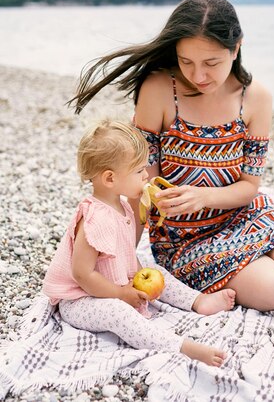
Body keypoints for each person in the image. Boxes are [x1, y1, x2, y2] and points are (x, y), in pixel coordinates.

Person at [71, 0, 274, 311]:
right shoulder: (159, 90)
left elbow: (249, 187)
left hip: (242, 213)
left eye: (211, 63)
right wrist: (122, 262)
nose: (198, 76)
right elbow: (138, 186)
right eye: (186, 62)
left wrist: (205, 197)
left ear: (236, 48)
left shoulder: (255, 98)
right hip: (185, 238)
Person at [42, 119, 235, 367]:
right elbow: (82, 274)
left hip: (112, 283)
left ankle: (197, 301)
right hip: (80, 299)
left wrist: (136, 277)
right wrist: (121, 294)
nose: (147, 176)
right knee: (118, 313)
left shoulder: (123, 205)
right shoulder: (95, 218)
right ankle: (179, 346)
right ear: (110, 179)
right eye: (139, 171)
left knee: (155, 272)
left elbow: (124, 250)